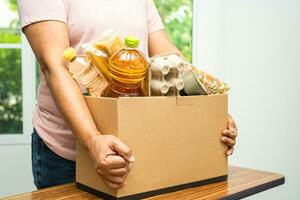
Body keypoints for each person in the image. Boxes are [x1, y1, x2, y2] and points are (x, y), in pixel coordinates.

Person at [17, 0, 238, 190]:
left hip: (131, 144)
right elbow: (54, 65)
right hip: (66, 155)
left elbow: (169, 57)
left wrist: (209, 109)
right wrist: (92, 140)